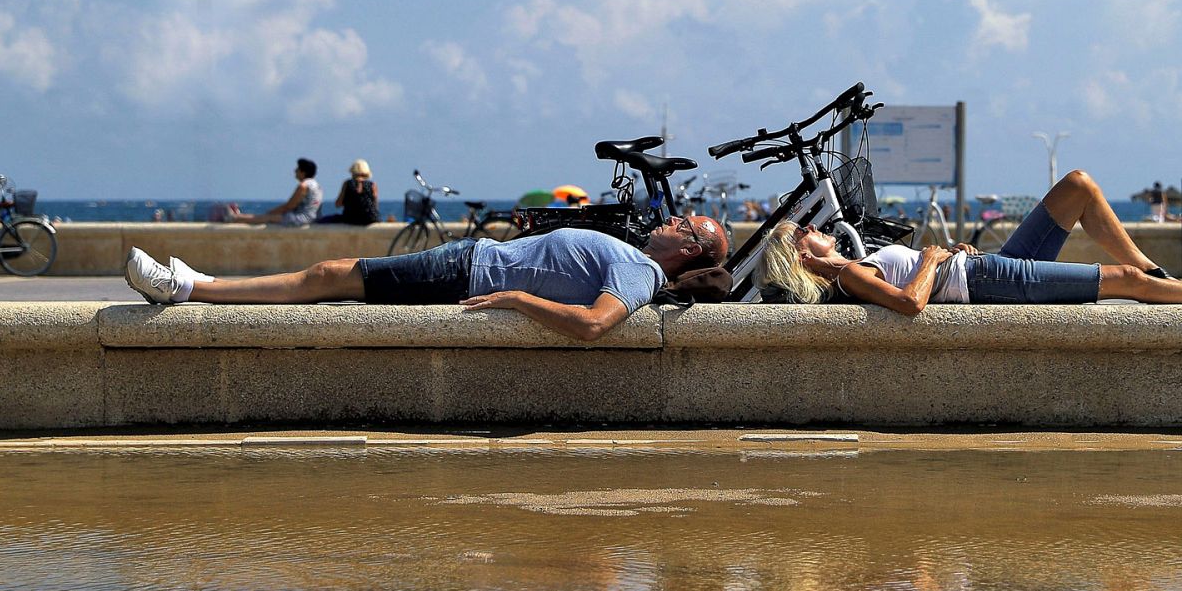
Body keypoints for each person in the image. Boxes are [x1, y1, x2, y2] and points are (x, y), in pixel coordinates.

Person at [755, 169, 1182, 312]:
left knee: (1078, 187)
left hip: (981, 271)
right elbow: (909, 303)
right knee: (1123, 283)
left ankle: (1162, 278)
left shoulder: (853, 264)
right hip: (985, 284)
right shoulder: (846, 274)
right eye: (803, 233)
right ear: (801, 257)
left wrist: (950, 256)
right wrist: (930, 257)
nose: (815, 230)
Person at [123, 215, 729, 342]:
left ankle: (189, 289)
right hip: (468, 262)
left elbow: (596, 324)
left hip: (467, 271)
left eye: (687, 223)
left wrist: (517, 298)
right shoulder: (635, 258)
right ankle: (196, 285)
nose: (675, 218)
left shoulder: (638, 269)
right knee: (334, 275)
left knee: (331, 274)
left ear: (690, 249)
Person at [225, 158, 324, 226]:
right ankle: (238, 216)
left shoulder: (303, 186)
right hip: (313, 218)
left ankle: (234, 218)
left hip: (302, 219)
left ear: (303, 172)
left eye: (297, 169)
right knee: (268, 217)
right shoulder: (317, 185)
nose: (295, 171)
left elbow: (289, 206)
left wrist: (269, 213)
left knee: (266, 218)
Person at [317, 159, 379, 225]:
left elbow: (338, 204)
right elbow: (375, 205)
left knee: (322, 220)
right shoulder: (373, 185)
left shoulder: (347, 183)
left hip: (350, 218)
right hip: (369, 219)